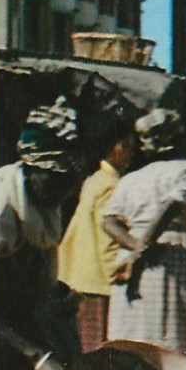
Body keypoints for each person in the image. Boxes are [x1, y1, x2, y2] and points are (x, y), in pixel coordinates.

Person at [0, 99, 85, 370]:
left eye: (71, 183)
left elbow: (30, 271)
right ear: (33, 169)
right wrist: (35, 355)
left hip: (19, 324)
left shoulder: (47, 199)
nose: (64, 192)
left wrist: (59, 291)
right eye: (57, 181)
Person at [103, 109, 186, 356]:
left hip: (134, 255)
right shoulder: (185, 171)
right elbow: (169, 208)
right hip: (170, 254)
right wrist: (141, 248)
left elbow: (110, 222)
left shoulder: (130, 179)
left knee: (137, 329)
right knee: (174, 329)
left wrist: (134, 248)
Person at [57, 119, 136, 353]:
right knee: (99, 348)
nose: (132, 152)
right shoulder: (113, 184)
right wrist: (119, 271)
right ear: (114, 148)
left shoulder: (94, 180)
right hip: (98, 280)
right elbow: (108, 237)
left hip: (80, 276)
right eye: (127, 146)